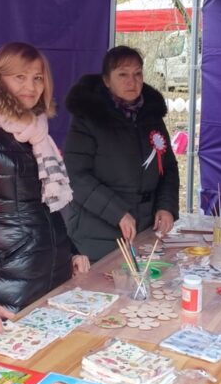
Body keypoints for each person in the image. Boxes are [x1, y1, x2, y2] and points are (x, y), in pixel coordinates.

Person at [0, 42, 90, 338]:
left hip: (48, 283)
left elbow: (45, 209)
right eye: (20, 77)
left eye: (38, 78)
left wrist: (71, 252)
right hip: (4, 297)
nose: (31, 86)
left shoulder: (33, 133)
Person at [64, 45, 180, 262]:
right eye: (123, 75)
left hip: (145, 228)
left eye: (137, 74)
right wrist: (118, 212)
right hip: (98, 233)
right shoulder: (88, 118)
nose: (132, 81)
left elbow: (169, 167)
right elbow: (76, 177)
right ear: (107, 80)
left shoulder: (151, 116)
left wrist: (166, 206)